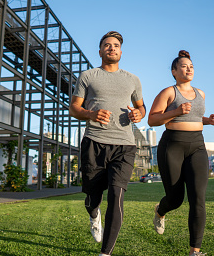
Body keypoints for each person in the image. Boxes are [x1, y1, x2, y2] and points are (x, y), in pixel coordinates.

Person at [69, 31, 145, 256]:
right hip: (94, 143)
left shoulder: (133, 79)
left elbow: (141, 107)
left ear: (121, 51)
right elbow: (74, 108)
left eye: (115, 45)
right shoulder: (88, 76)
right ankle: (94, 216)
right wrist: (91, 114)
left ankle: (106, 253)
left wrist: (138, 115)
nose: (112, 48)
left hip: (125, 145)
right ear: (100, 51)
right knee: (93, 198)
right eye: (107, 45)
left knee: (116, 195)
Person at [147, 50, 214, 256]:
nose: (189, 69)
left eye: (191, 66)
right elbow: (152, 120)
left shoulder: (201, 93)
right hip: (173, 145)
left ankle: (194, 251)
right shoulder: (168, 92)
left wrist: (209, 120)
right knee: (176, 198)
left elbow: (195, 117)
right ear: (174, 71)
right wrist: (176, 111)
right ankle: (160, 211)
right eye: (184, 66)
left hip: (197, 145)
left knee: (198, 199)